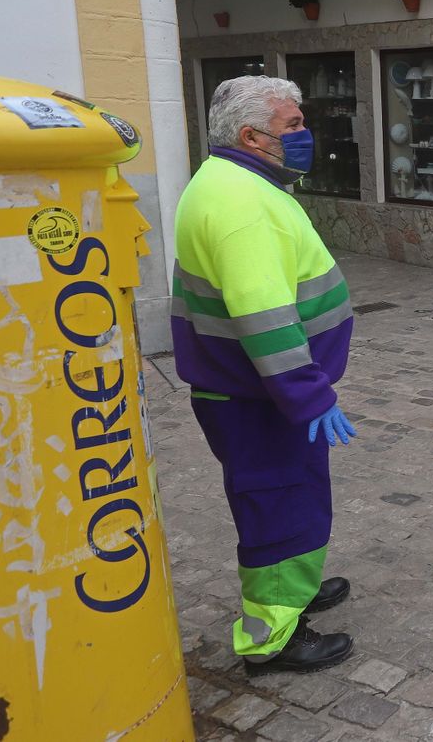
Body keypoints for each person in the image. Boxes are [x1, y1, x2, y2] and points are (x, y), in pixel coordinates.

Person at [172, 76, 358, 674]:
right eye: (293, 126)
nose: (305, 134)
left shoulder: (232, 181)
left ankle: (293, 591)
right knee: (279, 503)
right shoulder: (242, 204)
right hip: (260, 395)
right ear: (253, 136)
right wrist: (307, 396)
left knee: (291, 499)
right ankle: (272, 636)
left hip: (254, 390)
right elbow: (262, 314)